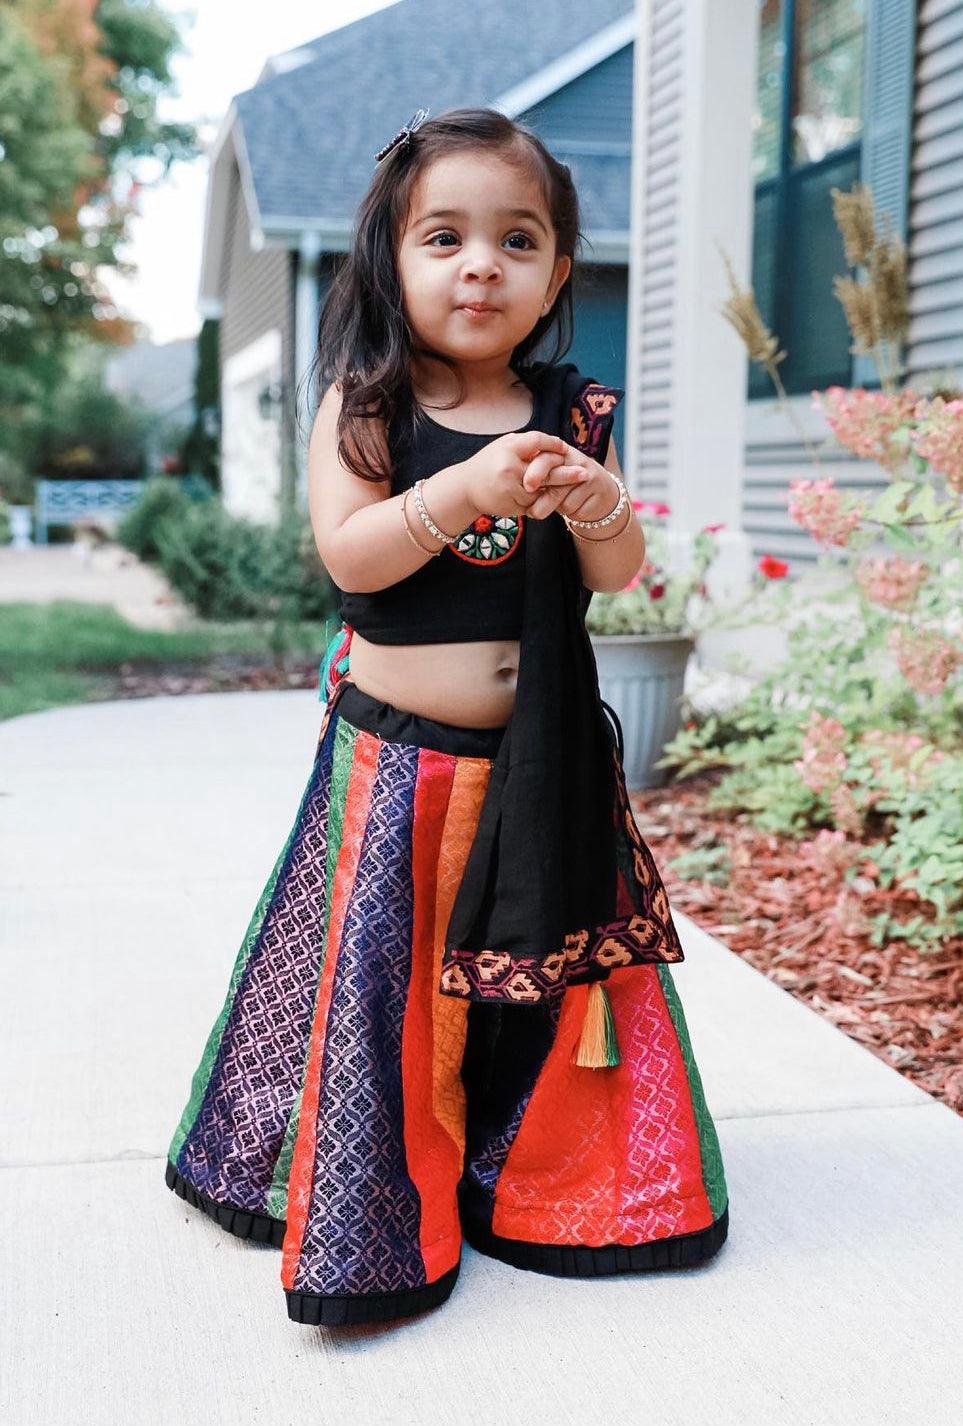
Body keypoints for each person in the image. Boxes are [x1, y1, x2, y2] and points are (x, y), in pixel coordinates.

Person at [165, 106, 729, 1328]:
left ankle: (546, 1182)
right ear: (392, 261)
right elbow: (353, 558)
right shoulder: (366, 406)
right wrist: (459, 487)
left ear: (554, 277)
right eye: (446, 238)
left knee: (541, 981)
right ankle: (384, 1200)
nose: (481, 263)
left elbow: (615, 571)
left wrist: (591, 499)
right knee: (391, 986)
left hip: (542, 764)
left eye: (516, 241)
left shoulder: (571, 412)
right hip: (400, 771)